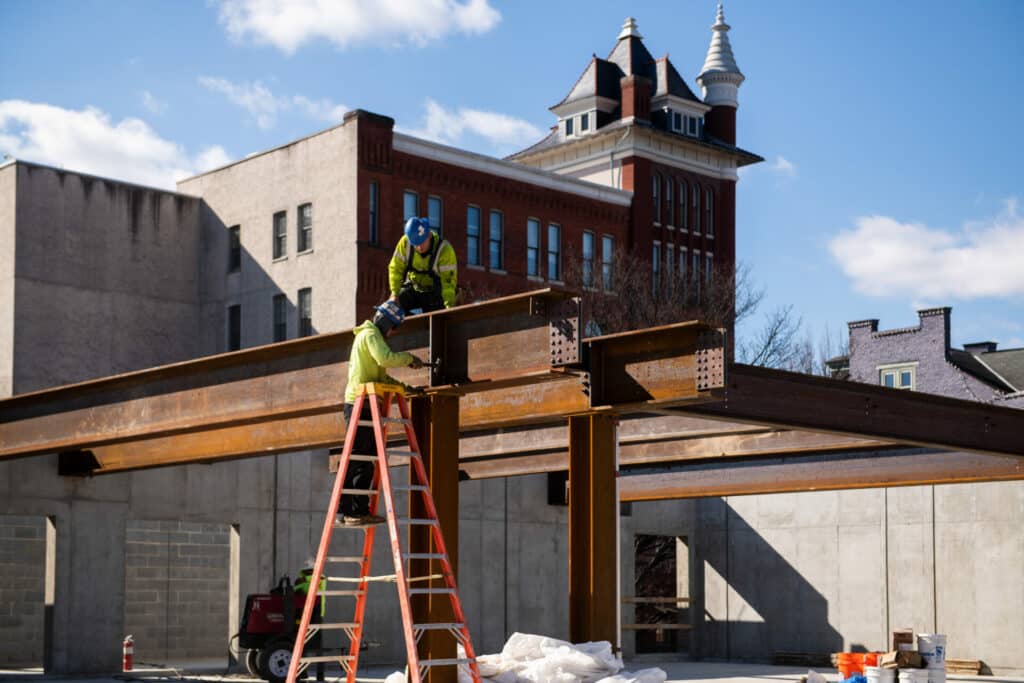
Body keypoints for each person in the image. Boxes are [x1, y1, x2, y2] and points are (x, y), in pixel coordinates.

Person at [340, 300, 423, 526]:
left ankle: (359, 510)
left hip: (368, 405)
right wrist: (409, 359)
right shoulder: (370, 335)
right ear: (386, 322)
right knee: (358, 457)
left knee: (367, 460)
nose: (392, 333)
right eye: (393, 327)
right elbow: (385, 358)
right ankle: (348, 511)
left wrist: (407, 389)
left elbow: (382, 378)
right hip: (359, 404)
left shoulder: (371, 337)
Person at [388, 216, 457, 314]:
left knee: (438, 313)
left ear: (429, 235)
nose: (419, 247)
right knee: (397, 304)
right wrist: (394, 294)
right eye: (415, 244)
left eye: (422, 242)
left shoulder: (444, 250)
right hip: (414, 288)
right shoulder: (405, 243)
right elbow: (395, 269)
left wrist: (449, 307)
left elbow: (448, 284)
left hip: (435, 295)